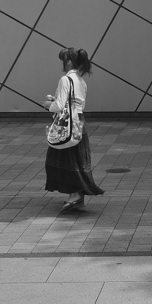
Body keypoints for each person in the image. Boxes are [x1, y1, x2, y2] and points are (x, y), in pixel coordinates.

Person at [42, 47, 104, 213]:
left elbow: (59, 106)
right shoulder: (81, 81)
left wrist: (49, 105)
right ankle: (79, 200)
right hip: (78, 124)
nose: (61, 63)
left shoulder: (65, 80)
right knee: (78, 160)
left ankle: (74, 196)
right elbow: (78, 104)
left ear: (68, 61)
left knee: (60, 159)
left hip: (66, 126)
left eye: (62, 59)